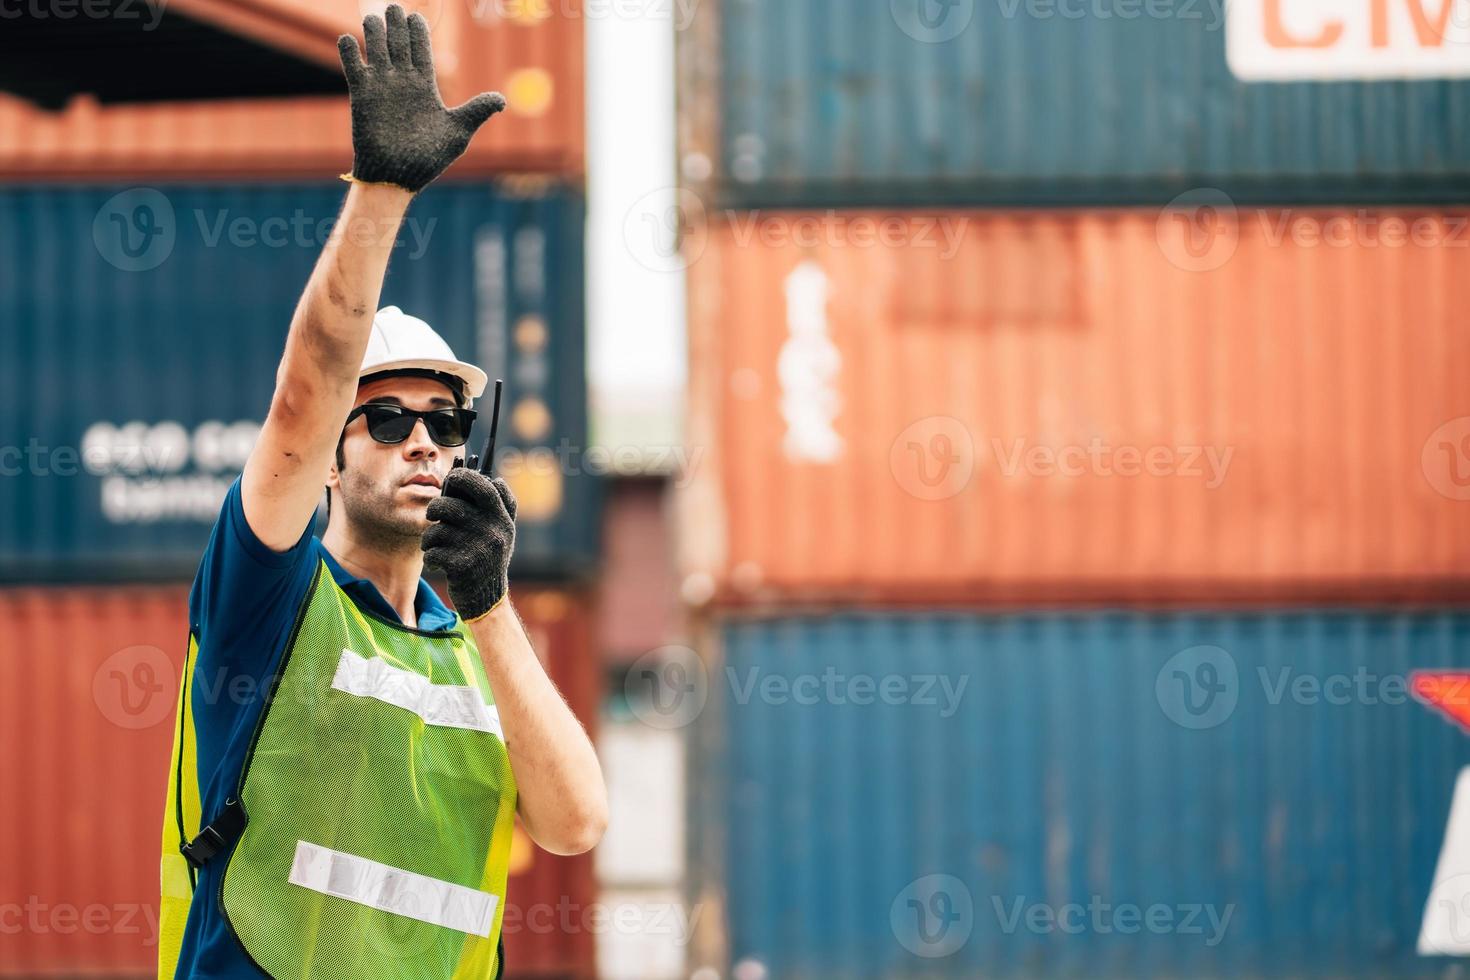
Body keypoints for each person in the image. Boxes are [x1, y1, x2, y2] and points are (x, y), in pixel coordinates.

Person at [156, 7, 607, 977]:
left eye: (446, 424)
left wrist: (488, 606)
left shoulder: (476, 643)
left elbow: (575, 822)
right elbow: (302, 393)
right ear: (332, 454)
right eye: (389, 419)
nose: (423, 443)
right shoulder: (272, 598)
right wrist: (383, 191)